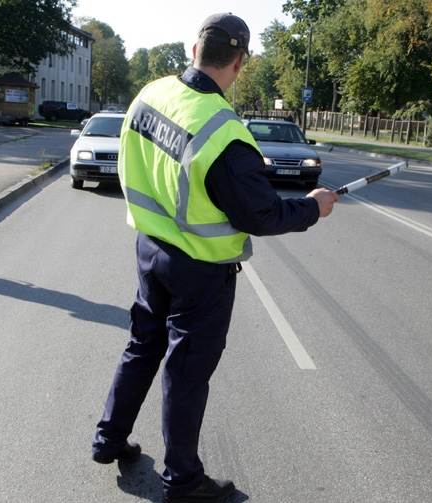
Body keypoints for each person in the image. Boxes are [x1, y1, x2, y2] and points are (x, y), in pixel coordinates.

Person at [91, 12, 339, 503]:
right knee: (186, 373)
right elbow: (262, 215)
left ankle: (108, 440)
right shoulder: (224, 134)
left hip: (149, 249)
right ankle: (182, 481)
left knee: (142, 347)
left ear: (193, 50)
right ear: (240, 62)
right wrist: (312, 207)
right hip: (199, 270)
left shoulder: (151, 95)